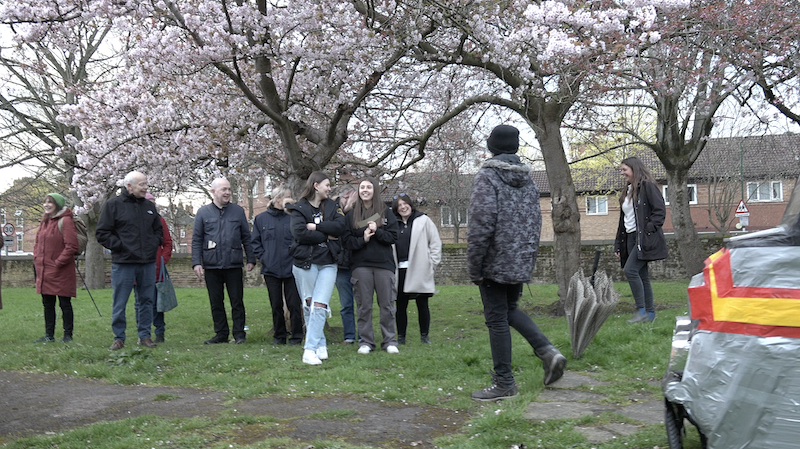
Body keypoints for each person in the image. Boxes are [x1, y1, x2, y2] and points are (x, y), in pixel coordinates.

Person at [468, 124, 567, 401]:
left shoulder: (487, 177)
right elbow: (536, 222)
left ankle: (504, 382)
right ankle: (548, 352)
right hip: (519, 259)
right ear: (515, 148)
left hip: (493, 261)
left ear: (491, 147)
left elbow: (480, 225)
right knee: (509, 310)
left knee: (497, 318)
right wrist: (526, 257)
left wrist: (475, 266)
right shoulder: (530, 180)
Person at [96, 171, 164, 350]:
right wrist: (120, 246)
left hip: (147, 262)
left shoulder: (149, 206)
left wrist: (152, 245)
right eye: (142, 184)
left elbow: (159, 231)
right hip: (123, 263)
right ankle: (119, 337)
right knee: (120, 301)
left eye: (146, 183)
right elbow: (102, 233)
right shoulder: (113, 205)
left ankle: (145, 336)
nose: (145, 187)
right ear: (129, 186)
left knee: (146, 300)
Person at [286, 171, 346, 365]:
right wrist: (326, 235)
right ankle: (320, 344)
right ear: (316, 186)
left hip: (328, 262)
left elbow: (340, 227)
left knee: (320, 305)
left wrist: (317, 228)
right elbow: (300, 234)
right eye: (327, 185)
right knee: (309, 304)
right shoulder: (299, 208)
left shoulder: (332, 206)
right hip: (305, 263)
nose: (330, 189)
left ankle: (308, 350)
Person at [192, 178, 256, 345]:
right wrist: (196, 263)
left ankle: (239, 334)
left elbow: (246, 237)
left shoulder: (238, 211)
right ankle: (221, 334)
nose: (227, 192)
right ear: (213, 192)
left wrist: (251, 258)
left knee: (237, 301)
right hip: (211, 265)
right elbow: (197, 239)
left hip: (233, 263)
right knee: (216, 302)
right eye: (224, 190)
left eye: (229, 189)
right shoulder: (203, 213)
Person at [342, 177, 400, 355]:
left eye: (368, 187)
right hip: (361, 266)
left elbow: (393, 237)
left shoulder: (386, 212)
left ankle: (389, 341)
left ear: (374, 190)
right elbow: (346, 241)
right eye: (362, 187)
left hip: (384, 265)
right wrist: (364, 239)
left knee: (387, 305)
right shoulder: (351, 215)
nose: (365, 190)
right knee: (364, 306)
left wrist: (378, 231)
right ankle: (366, 342)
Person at [614, 156, 668, 323]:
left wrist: (647, 231)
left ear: (634, 169)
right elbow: (623, 221)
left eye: (625, 170)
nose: (622, 173)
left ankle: (641, 310)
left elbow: (659, 212)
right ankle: (650, 315)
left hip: (642, 239)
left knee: (630, 270)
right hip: (629, 238)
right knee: (642, 276)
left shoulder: (648, 187)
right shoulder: (627, 191)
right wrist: (618, 244)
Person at [252, 185, 303, 345]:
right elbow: (255, 242)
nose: (290, 200)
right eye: (287, 197)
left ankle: (297, 336)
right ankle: (279, 336)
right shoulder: (261, 219)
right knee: (276, 304)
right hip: (271, 269)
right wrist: (264, 258)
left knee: (294, 304)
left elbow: (301, 239)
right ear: (278, 198)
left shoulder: (294, 217)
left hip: (292, 268)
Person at [392, 193, 441, 345]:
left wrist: (431, 264)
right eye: (399, 205)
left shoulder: (423, 220)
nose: (403, 207)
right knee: (400, 305)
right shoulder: (393, 223)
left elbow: (435, 243)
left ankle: (424, 336)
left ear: (410, 204)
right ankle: (401, 337)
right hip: (400, 270)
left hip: (420, 269)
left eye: (405, 203)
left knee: (422, 304)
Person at [33, 193, 80, 343]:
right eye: (45, 202)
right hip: (44, 269)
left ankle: (68, 335)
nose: (46, 205)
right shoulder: (44, 221)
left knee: (64, 303)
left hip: (61, 270)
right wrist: (36, 258)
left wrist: (58, 262)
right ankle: (49, 335)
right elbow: (38, 243)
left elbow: (72, 245)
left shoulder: (65, 221)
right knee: (47, 303)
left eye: (50, 203)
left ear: (57, 205)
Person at [134, 193, 173, 343]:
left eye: (153, 202)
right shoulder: (134, 220)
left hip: (156, 269)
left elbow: (168, 242)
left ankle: (159, 332)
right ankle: (143, 333)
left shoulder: (159, 221)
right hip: (137, 267)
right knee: (139, 302)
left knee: (158, 303)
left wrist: (162, 259)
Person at [332, 184, 357, 344]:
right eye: (346, 197)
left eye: (351, 198)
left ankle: (364, 335)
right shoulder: (333, 212)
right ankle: (349, 336)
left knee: (362, 303)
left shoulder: (360, 214)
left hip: (358, 264)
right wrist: (346, 209)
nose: (348, 201)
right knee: (346, 303)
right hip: (341, 266)